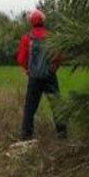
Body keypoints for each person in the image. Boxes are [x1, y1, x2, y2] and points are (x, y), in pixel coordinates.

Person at [16, 9, 67, 140]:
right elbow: (60, 57)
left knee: (30, 108)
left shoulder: (27, 38)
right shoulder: (52, 37)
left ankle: (26, 136)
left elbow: (21, 59)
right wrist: (52, 69)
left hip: (34, 78)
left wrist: (29, 70)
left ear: (31, 22)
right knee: (57, 106)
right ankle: (62, 136)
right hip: (50, 76)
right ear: (43, 21)